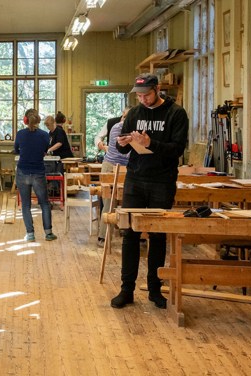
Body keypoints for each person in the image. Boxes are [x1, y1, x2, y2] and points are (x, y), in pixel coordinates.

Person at [111, 73, 188, 310]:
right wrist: (121, 143)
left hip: (162, 180)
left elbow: (176, 150)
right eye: (139, 96)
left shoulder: (176, 113)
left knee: (157, 235)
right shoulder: (135, 113)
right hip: (135, 177)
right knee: (130, 234)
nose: (143, 99)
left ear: (158, 90)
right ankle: (127, 290)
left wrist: (150, 143)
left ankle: (155, 289)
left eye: (146, 95)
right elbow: (121, 148)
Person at [15, 109, 56, 242]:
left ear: (25, 120)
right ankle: (48, 233)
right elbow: (45, 151)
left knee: (26, 204)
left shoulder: (20, 134)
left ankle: (30, 234)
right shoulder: (45, 135)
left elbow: (16, 150)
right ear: (38, 119)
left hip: (22, 172)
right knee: (44, 203)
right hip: (38, 172)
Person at [96, 107, 132, 246]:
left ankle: (125, 233)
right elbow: (126, 152)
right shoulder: (118, 127)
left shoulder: (122, 126)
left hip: (122, 167)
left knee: (121, 202)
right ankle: (104, 237)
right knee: (109, 203)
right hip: (112, 167)